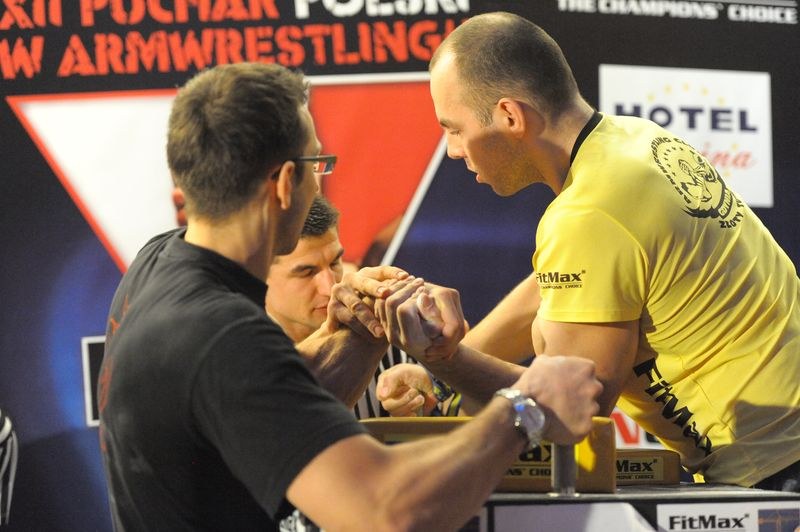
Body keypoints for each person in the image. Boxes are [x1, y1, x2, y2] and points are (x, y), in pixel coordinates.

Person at [97, 61, 603, 531]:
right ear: (287, 183)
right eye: (318, 163)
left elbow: (267, 400)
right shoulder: (222, 335)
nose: (320, 184)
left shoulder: (159, 263)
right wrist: (525, 409)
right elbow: (385, 511)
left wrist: (362, 331)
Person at [376, 11, 800, 491]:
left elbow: (572, 409)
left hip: (776, 468)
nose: (453, 150)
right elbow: (565, 284)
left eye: (454, 129)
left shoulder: (589, 212)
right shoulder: (635, 139)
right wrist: (442, 373)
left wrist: (444, 359)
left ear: (510, 116)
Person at [265, 193, 429, 418]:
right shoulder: (238, 355)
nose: (330, 286)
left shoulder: (384, 330)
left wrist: (423, 397)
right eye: (306, 272)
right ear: (259, 273)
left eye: (335, 262)